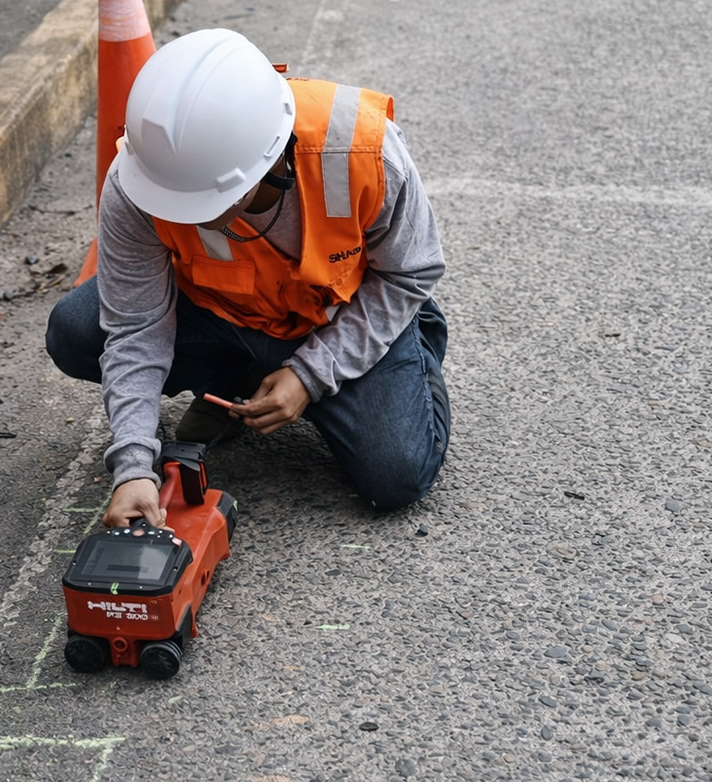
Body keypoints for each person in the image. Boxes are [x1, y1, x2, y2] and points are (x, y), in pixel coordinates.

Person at [46, 28, 450, 529]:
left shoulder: (364, 152)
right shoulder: (144, 176)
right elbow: (134, 326)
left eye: (203, 204)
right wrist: (132, 466)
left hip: (336, 316)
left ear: (268, 160)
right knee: (77, 330)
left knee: (396, 475)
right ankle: (237, 380)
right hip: (224, 312)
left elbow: (410, 273)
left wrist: (310, 376)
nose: (186, 217)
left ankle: (414, 353)